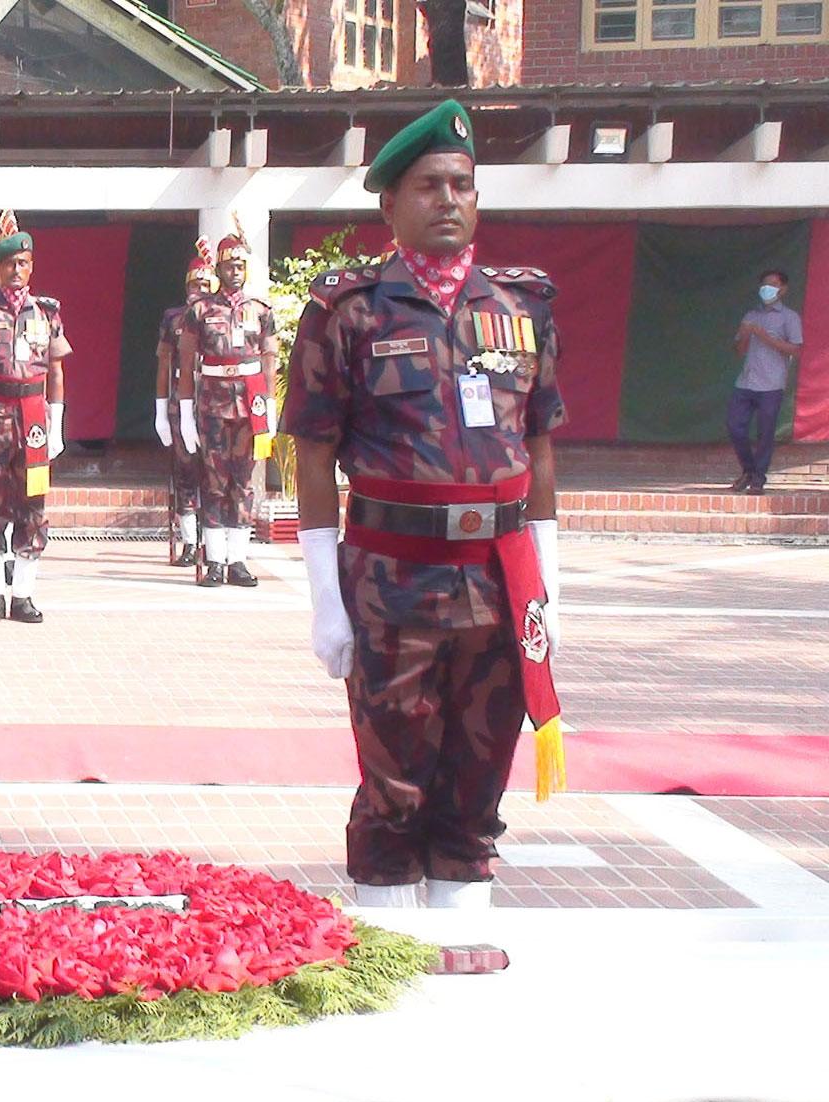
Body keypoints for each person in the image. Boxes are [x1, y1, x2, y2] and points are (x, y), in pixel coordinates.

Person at [284, 99, 568, 910]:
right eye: (429, 185)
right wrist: (324, 601)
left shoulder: (521, 309)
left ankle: (459, 952)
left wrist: (548, 579)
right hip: (392, 582)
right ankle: (391, 965)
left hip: (498, 579)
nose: (449, 199)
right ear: (390, 204)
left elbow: (540, 444)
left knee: (475, 792)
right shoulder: (349, 312)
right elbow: (312, 455)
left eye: (463, 185)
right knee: (394, 788)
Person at [0, 210, 69, 623]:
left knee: (33, 503)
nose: (16, 270)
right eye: (9, 263)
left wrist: (56, 419)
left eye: (23, 263)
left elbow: (56, 370)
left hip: (34, 417)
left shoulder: (47, 313)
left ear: (31, 266)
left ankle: (23, 594)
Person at [176, 223, 277, 589]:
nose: (235, 272)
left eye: (240, 266)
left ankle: (238, 559)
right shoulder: (199, 311)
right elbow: (186, 364)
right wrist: (185, 412)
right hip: (213, 405)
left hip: (250, 404)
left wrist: (270, 403)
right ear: (217, 269)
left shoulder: (261, 310)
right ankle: (214, 559)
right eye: (229, 266)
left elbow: (269, 359)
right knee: (215, 480)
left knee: (244, 481)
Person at [155, 240, 216, 568]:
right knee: (186, 472)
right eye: (195, 283)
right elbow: (164, 363)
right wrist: (160, 409)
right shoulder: (174, 317)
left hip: (216, 399)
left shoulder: (220, 315)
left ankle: (215, 543)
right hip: (182, 401)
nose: (199, 289)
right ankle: (190, 542)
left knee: (215, 473)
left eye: (205, 284)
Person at [727, 270, 803, 495]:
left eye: (773, 284)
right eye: (764, 284)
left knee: (765, 433)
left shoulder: (790, 317)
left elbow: (796, 349)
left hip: (771, 384)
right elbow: (739, 351)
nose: (767, 288)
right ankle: (749, 470)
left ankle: (758, 478)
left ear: (783, 289)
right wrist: (744, 336)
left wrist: (765, 337)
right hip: (746, 382)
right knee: (735, 426)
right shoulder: (751, 314)